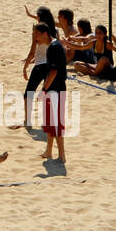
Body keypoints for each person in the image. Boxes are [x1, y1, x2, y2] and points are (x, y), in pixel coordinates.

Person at [36, 22, 69, 163]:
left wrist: (44, 89)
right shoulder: (55, 45)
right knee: (49, 121)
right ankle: (49, 151)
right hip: (54, 88)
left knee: (56, 123)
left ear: (45, 34)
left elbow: (54, 71)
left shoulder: (54, 48)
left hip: (56, 89)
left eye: (37, 35)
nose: (36, 38)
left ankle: (62, 155)